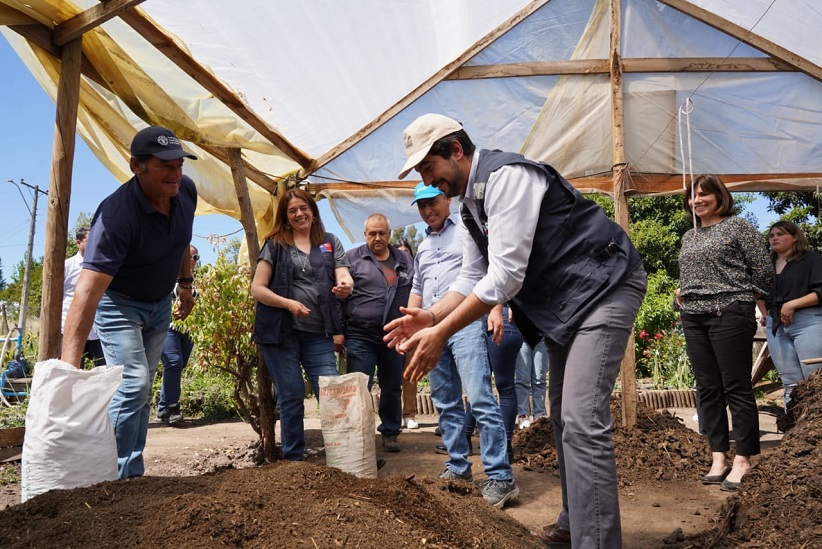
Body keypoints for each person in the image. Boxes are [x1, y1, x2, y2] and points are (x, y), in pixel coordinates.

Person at [385, 114, 647, 547]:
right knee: (564, 419)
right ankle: (574, 522)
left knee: (581, 420)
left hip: (605, 286)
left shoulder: (506, 178)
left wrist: (443, 331)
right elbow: (471, 276)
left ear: (454, 150)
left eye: (428, 167)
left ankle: (596, 541)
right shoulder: (471, 206)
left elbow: (505, 277)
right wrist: (430, 318)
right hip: (568, 304)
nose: (427, 180)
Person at [61, 126, 198, 479]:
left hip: (159, 302)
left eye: (179, 164)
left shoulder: (186, 192)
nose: (175, 174)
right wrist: (69, 369)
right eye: (165, 165)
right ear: (137, 166)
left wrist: (185, 284)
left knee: (143, 386)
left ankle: (131, 474)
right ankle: (111, 476)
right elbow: (87, 292)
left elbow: (183, 239)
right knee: (133, 383)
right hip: (119, 303)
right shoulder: (116, 217)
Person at [400, 180, 518, 508]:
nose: (427, 210)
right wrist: (412, 323)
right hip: (432, 328)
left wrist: (495, 308)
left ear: (447, 199)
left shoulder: (466, 230)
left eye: (432, 202)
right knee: (445, 401)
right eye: (421, 206)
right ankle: (458, 466)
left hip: (465, 324)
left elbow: (490, 271)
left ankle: (500, 476)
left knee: (479, 397)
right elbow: (418, 288)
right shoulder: (422, 248)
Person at [675, 174, 772, 493]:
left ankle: (743, 458)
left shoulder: (738, 226)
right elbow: (692, 272)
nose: (697, 200)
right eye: (692, 195)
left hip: (729, 313)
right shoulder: (690, 235)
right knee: (707, 389)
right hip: (694, 316)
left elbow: (763, 269)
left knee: (736, 387)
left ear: (720, 197)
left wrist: (745, 296)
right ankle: (718, 456)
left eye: (704, 194)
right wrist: (683, 291)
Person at [251, 188, 353, 461]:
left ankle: (344, 455)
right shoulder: (275, 243)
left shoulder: (330, 242)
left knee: (331, 393)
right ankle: (293, 461)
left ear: (313, 210)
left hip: (319, 332)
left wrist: (345, 285)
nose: (299, 214)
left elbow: (342, 274)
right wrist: (288, 304)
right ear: (286, 217)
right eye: (292, 210)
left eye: (303, 208)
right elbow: (257, 289)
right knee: (292, 394)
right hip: (280, 333)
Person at [342, 214, 414, 452]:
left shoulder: (404, 259)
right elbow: (339, 297)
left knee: (392, 385)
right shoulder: (352, 259)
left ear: (389, 233)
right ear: (365, 235)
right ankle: (358, 436)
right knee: (358, 387)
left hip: (394, 334)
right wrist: (338, 332)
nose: (377, 238)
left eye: (382, 233)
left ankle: (391, 432)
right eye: (372, 233)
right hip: (360, 335)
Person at [762, 220, 822, 410]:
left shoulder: (811, 259)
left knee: (814, 377)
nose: (774, 238)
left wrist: (792, 304)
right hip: (776, 326)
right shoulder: (767, 264)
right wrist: (765, 313)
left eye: (780, 234)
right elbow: (757, 293)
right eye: (771, 235)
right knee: (789, 381)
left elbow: (821, 290)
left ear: (795, 237)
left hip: (808, 321)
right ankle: (795, 429)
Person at [461, 304, 522, 459]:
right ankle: (464, 439)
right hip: (478, 322)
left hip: (504, 321)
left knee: (504, 385)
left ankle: (505, 447)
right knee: (477, 384)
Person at [157, 244, 200, 425]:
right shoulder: (167, 276)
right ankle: (173, 408)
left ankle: (163, 408)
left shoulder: (199, 279)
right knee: (173, 362)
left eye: (195, 257)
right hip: (169, 327)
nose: (191, 261)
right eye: (188, 256)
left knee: (177, 367)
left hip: (189, 330)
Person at [61, 226, 105, 367]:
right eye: (89, 240)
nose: (94, 243)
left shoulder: (102, 266)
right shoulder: (67, 266)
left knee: (104, 370)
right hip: (71, 329)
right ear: (78, 243)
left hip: (96, 331)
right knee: (71, 371)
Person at [396, 239, 420, 430]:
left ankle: (409, 414)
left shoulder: (416, 275)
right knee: (390, 376)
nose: (403, 256)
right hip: (390, 328)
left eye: (406, 252)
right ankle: (392, 417)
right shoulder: (387, 271)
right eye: (399, 252)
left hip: (411, 329)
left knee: (409, 374)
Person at [514, 337, 549, 429]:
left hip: (541, 336)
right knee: (522, 379)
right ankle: (523, 415)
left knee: (539, 379)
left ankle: (539, 415)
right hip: (522, 336)